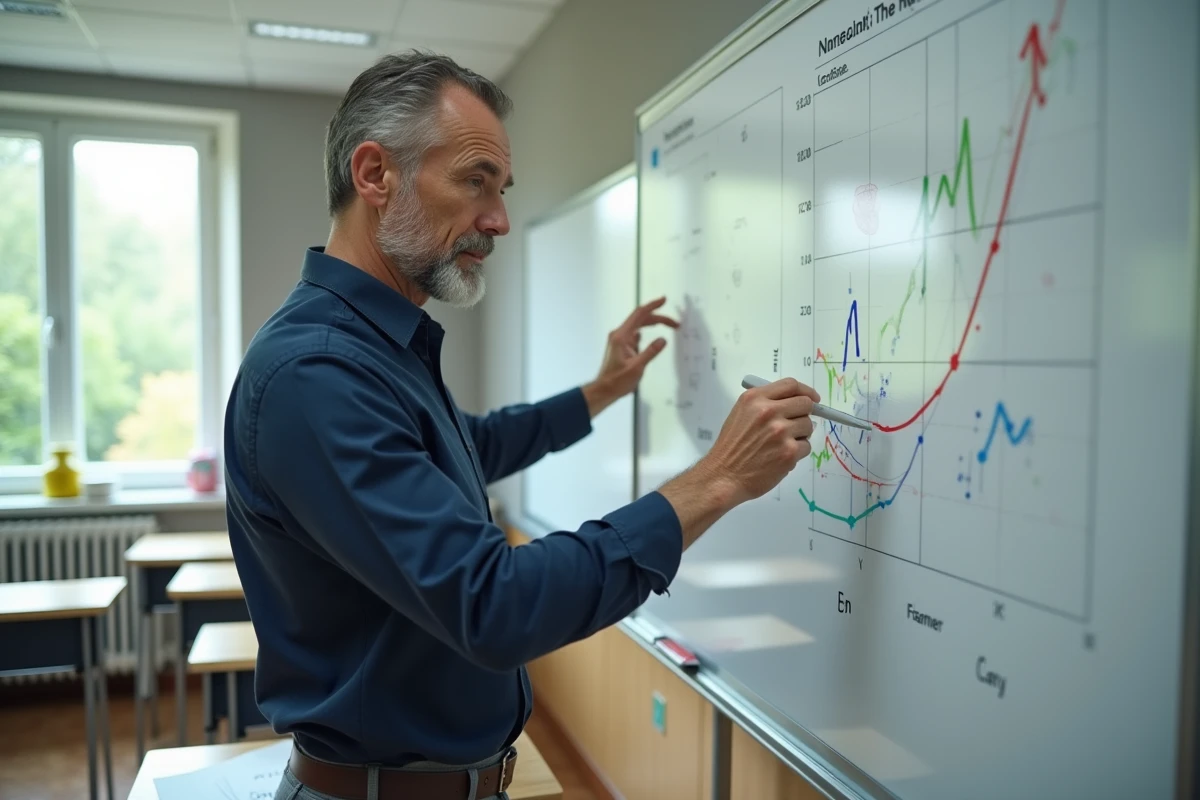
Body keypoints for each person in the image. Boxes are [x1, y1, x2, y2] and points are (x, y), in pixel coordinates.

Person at [223, 50, 820, 800]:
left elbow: (475, 445)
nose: (499, 220)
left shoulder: (376, 348)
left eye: (501, 190)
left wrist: (601, 392)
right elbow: (493, 604)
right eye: (475, 182)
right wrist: (719, 478)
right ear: (374, 175)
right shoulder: (315, 373)